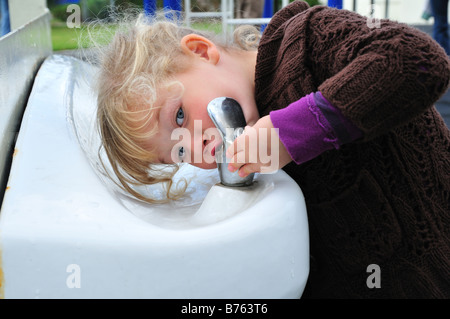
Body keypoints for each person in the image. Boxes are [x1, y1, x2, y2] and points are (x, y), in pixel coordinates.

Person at [95, 1, 450, 298]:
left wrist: (293, 132)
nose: (196, 146)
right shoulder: (248, 147)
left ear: (201, 51)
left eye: (179, 115)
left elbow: (416, 61)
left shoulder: (310, 41)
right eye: (179, 155)